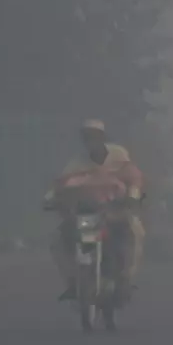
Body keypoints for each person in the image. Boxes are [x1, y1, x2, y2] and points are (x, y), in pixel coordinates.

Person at [45, 120, 147, 302]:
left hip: (116, 210)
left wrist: (133, 196)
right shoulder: (77, 163)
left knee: (135, 231)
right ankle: (73, 281)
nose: (91, 141)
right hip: (87, 216)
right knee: (57, 239)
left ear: (103, 138)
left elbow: (134, 178)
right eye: (87, 138)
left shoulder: (119, 157)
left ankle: (125, 278)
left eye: (95, 137)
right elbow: (61, 184)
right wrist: (51, 198)